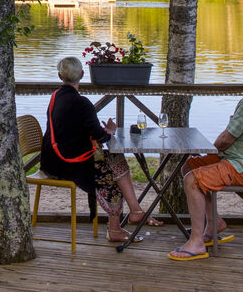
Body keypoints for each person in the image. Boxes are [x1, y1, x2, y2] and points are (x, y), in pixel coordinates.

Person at [168, 52, 243, 261]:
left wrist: (211, 149)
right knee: (190, 165)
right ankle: (214, 224)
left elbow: (225, 140)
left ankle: (196, 242)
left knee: (192, 179)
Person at [41, 56, 161, 243]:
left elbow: (74, 129)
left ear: (59, 76)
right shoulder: (82, 103)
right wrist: (111, 132)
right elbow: (100, 137)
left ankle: (135, 211)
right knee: (110, 175)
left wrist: (103, 133)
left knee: (116, 158)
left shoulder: (56, 97)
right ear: (82, 74)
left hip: (52, 159)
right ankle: (117, 228)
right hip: (67, 163)